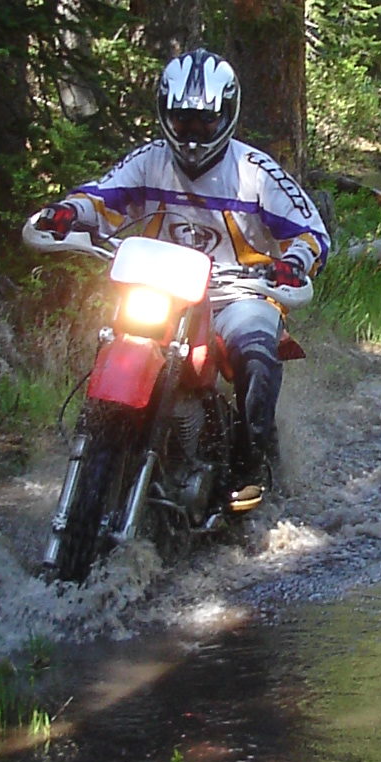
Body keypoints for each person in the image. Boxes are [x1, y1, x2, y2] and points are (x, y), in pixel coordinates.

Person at [37, 49, 331, 510]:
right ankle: (102, 444)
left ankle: (247, 472)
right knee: (111, 339)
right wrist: (68, 212)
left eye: (204, 123)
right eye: (182, 122)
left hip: (237, 293)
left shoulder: (255, 171)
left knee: (256, 353)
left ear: (227, 116)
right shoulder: (149, 161)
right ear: (164, 115)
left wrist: (293, 262)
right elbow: (102, 196)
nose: (192, 134)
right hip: (160, 290)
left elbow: (310, 232)